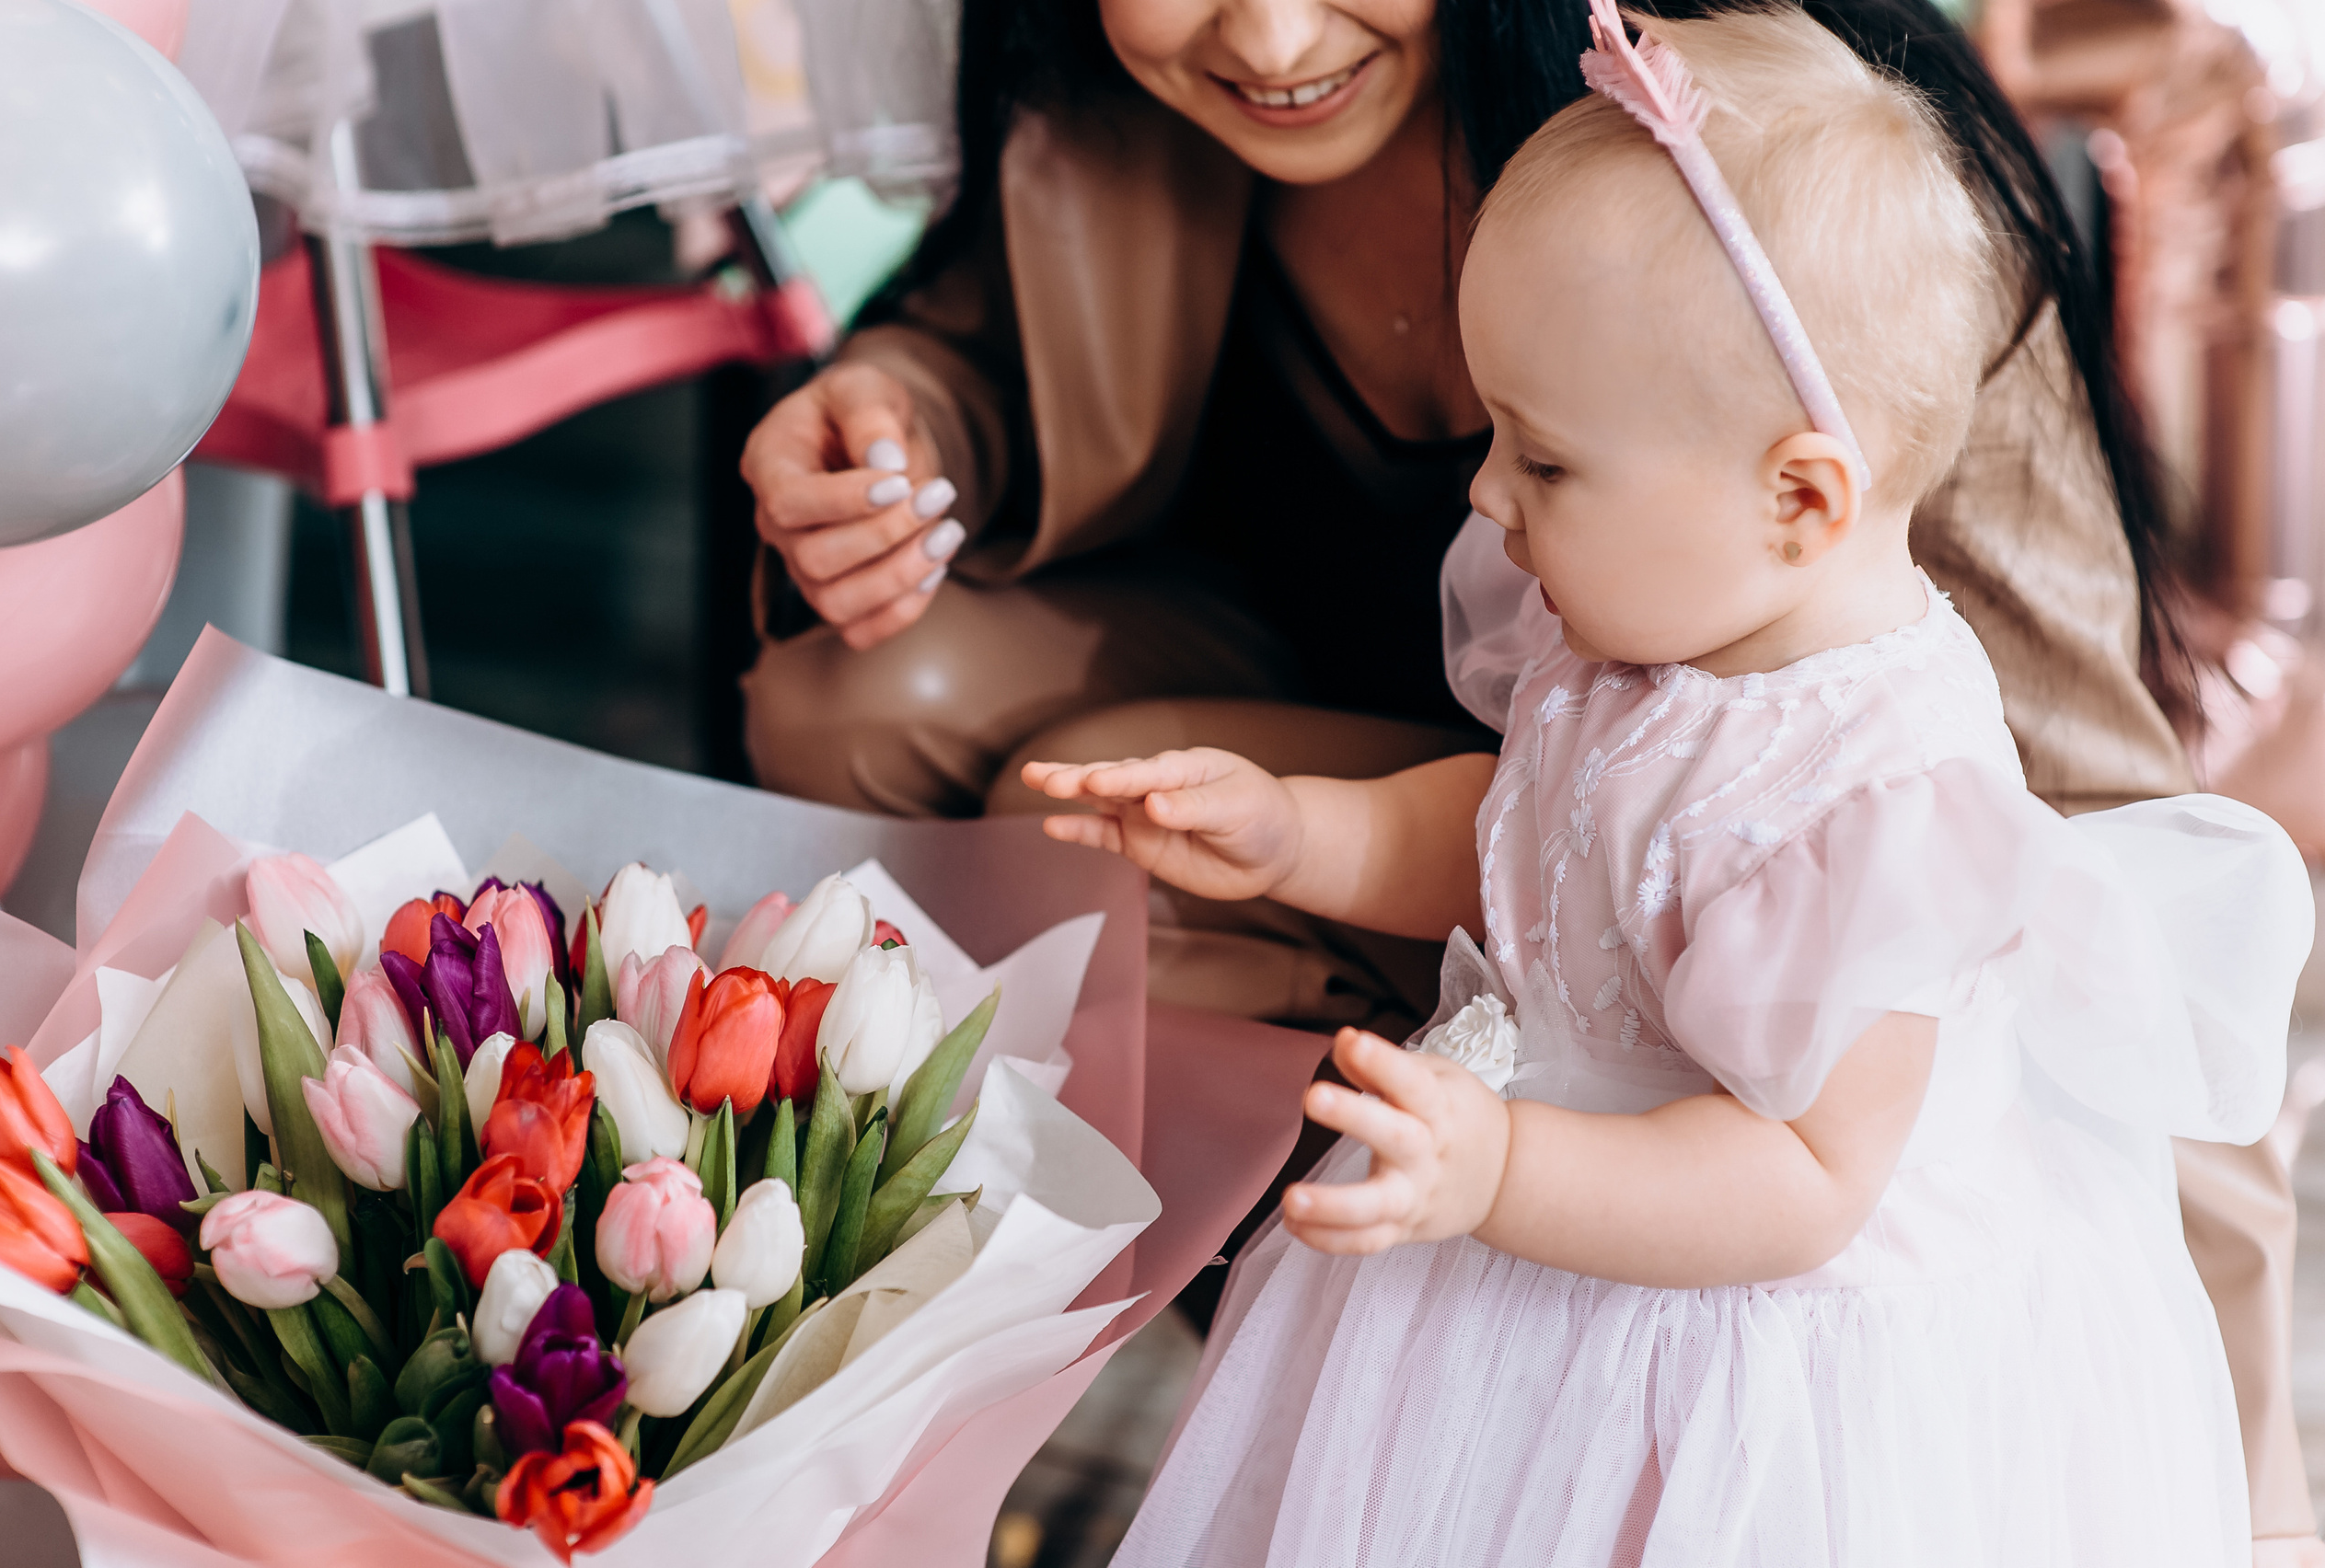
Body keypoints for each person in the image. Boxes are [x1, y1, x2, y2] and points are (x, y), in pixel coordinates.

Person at [739, 0, 2318, 1551]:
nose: (1483, 495)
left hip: (1734, 1320)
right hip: (1524, 1165)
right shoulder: (1610, 640)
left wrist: (2249, 1494)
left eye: (1538, 459)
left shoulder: (1877, 778)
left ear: (1804, 494)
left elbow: (1825, 1165)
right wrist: (1302, 831)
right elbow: (1522, 830)